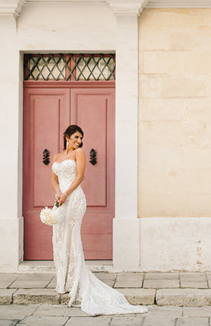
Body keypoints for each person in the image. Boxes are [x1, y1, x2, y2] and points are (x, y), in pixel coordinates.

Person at [51, 125, 147, 316]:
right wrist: (57, 194)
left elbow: (79, 177)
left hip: (75, 199)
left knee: (73, 238)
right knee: (60, 237)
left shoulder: (80, 153)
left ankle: (77, 280)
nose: (79, 141)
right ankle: (64, 281)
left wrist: (66, 194)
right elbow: (53, 179)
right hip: (61, 199)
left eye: (81, 137)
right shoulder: (56, 157)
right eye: (76, 137)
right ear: (67, 137)